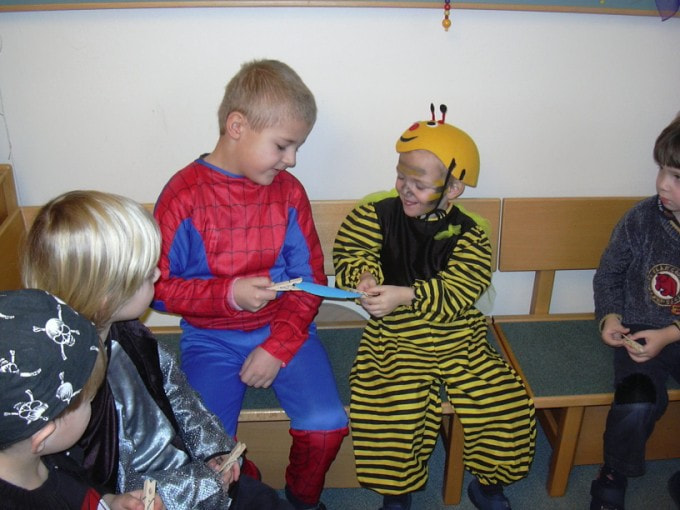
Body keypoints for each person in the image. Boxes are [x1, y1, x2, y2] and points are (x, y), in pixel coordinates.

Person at [152, 59, 349, 510]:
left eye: (296, 147)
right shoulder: (183, 195)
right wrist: (227, 294)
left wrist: (277, 347)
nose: (292, 160)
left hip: (286, 330)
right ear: (237, 126)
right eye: (283, 145)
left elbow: (311, 281)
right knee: (209, 453)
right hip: (210, 339)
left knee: (326, 425)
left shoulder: (289, 192)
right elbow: (158, 289)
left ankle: (302, 499)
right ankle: (246, 486)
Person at [22, 190, 293, 510]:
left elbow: (177, 394)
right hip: (167, 496)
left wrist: (213, 449)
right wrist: (204, 482)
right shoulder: (69, 389)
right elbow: (113, 486)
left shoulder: (130, 332)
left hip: (194, 472)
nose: (158, 273)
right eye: (146, 272)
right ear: (108, 297)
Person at [333, 105, 537, 510]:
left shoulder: (470, 233)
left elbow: (462, 288)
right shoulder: (375, 214)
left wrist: (405, 294)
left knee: (503, 404)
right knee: (392, 408)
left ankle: (489, 484)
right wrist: (364, 277)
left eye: (420, 184)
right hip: (395, 337)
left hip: (459, 336)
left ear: (453, 188)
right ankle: (397, 491)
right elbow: (351, 252)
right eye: (401, 177)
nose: (406, 189)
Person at [591, 114, 680, 510]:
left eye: (677, 177)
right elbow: (609, 274)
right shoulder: (642, 219)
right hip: (639, 330)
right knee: (637, 398)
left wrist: (672, 334)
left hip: (675, 332)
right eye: (662, 170)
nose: (662, 183)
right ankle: (614, 472)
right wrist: (610, 316)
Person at [0, 288, 108, 509]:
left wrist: (109, 502)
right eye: (89, 401)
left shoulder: (54, 457)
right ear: (43, 436)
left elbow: (79, 490)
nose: (94, 406)